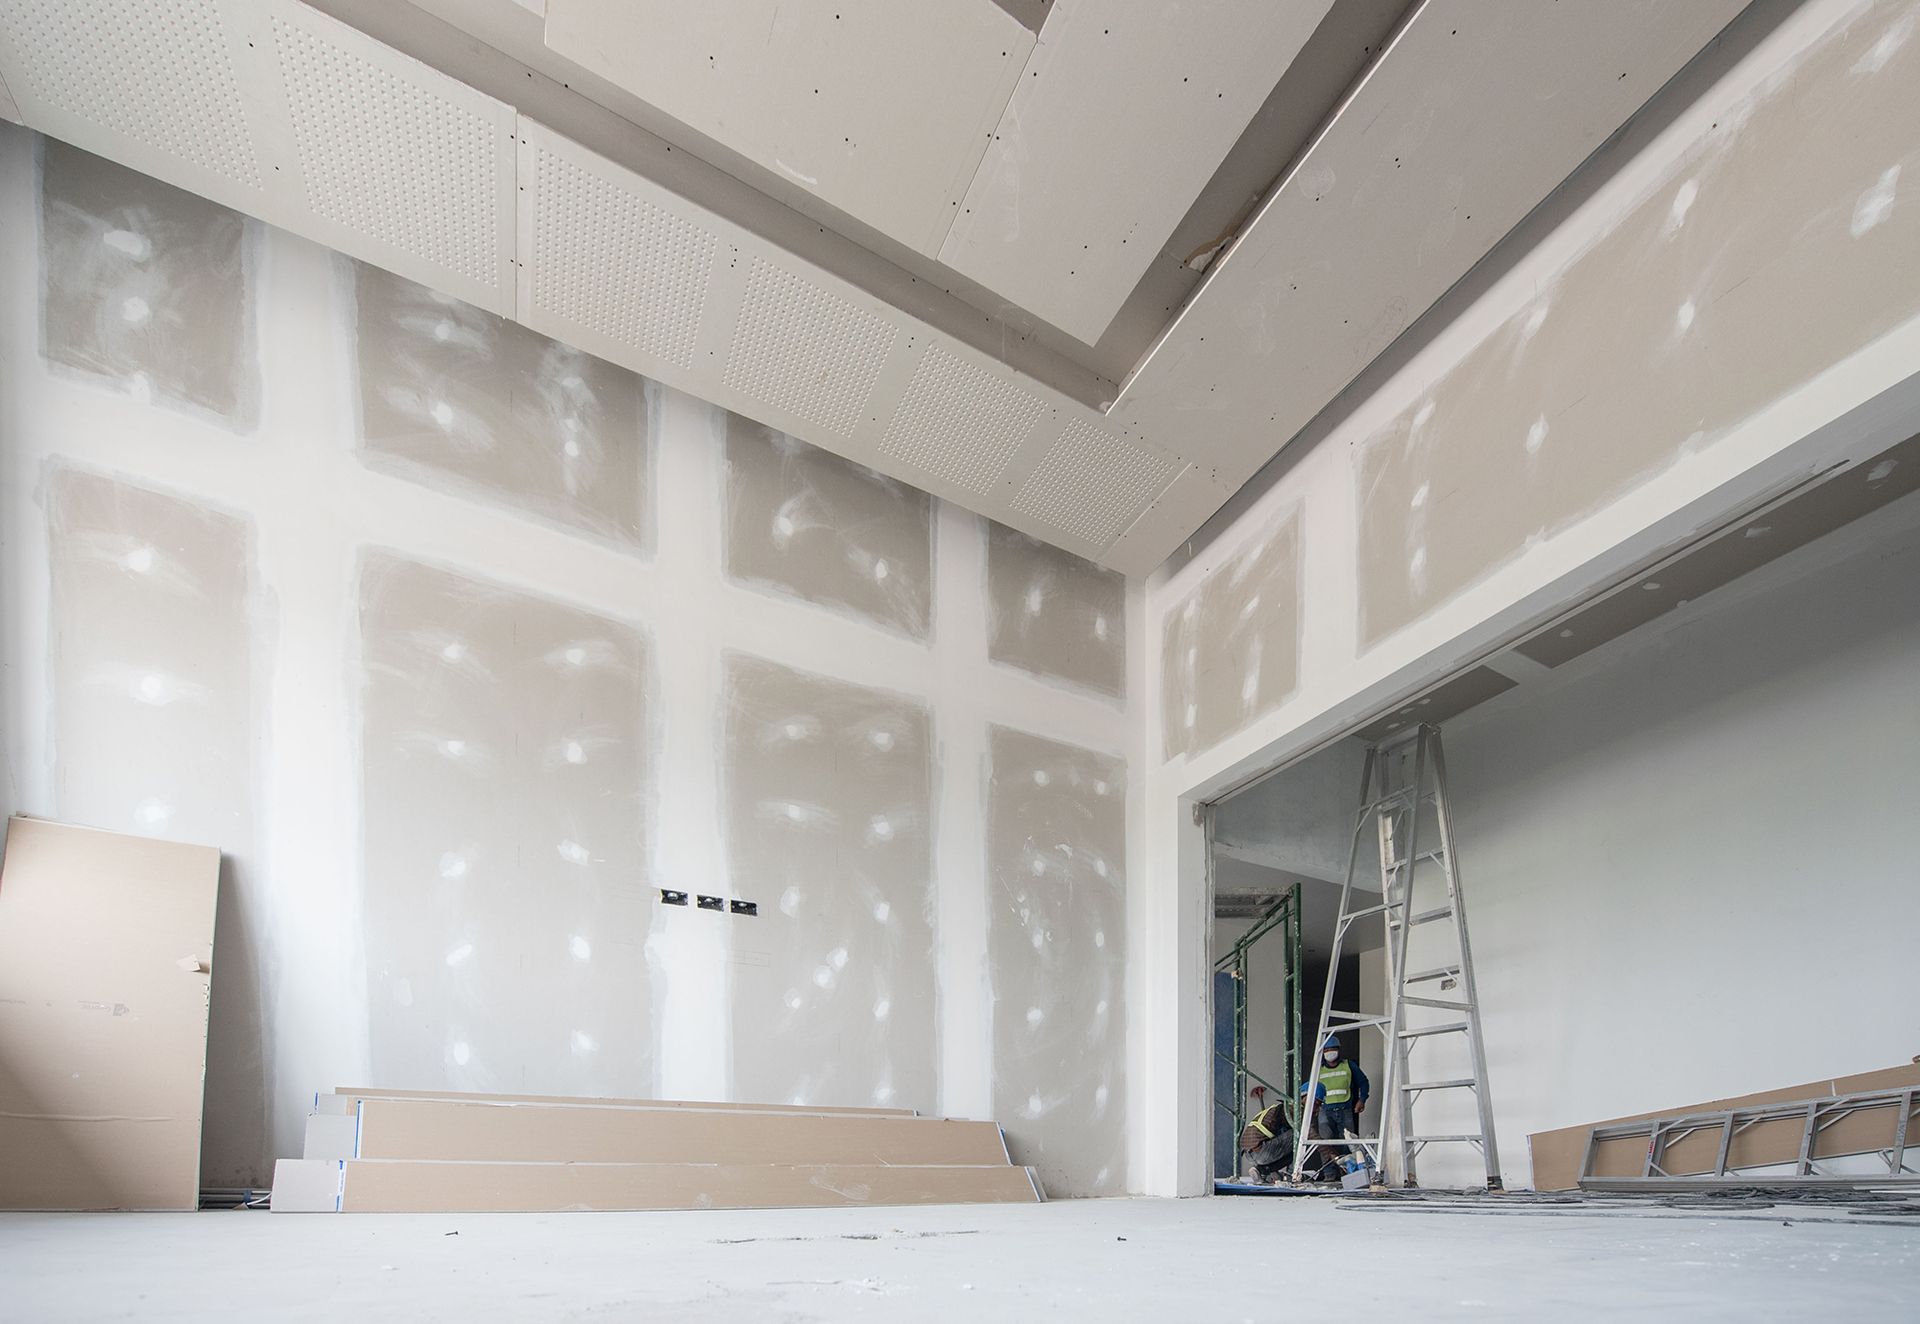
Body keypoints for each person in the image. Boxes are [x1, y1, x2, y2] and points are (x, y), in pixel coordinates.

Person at [1299, 1035, 1372, 1182]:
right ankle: (1330, 1174)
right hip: (1324, 1110)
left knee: (1348, 1143)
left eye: (1332, 1049)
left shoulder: (1349, 1065)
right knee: (1325, 1142)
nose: (1330, 1052)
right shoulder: (1318, 1070)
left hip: (1345, 1109)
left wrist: (1362, 1099)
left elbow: (1363, 1082)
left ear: (1338, 1050)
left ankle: (1349, 1174)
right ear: (1322, 1052)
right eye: (1326, 1050)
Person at [1236, 1096, 1296, 1185]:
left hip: (1248, 1154)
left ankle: (1263, 1171)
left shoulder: (1273, 1111)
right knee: (1298, 1135)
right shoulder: (1288, 1112)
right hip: (1262, 1150)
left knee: (1285, 1143)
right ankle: (1291, 1175)